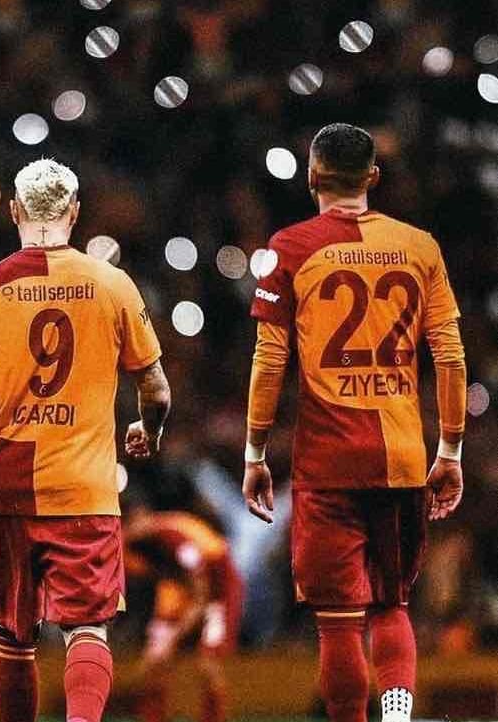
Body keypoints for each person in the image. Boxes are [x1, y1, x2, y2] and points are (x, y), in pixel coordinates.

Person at [0, 158, 171, 722]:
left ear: (14, 210)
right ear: (75, 213)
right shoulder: (111, 283)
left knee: (13, 636)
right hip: (83, 487)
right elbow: (157, 389)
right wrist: (148, 428)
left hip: (6, 484)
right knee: (87, 627)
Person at [242, 123, 466, 722]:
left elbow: (270, 359)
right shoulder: (420, 247)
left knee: (339, 620)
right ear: (374, 177)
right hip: (401, 457)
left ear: (313, 176)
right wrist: (449, 449)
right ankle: (396, 714)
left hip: (329, 462)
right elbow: (449, 354)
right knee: (392, 606)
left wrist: (255, 453)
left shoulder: (290, 247)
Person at [122, 498, 242, 722]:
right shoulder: (139, 545)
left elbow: (200, 597)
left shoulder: (175, 539)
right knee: (156, 659)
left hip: (218, 592)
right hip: (179, 587)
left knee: (208, 663)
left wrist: (174, 637)